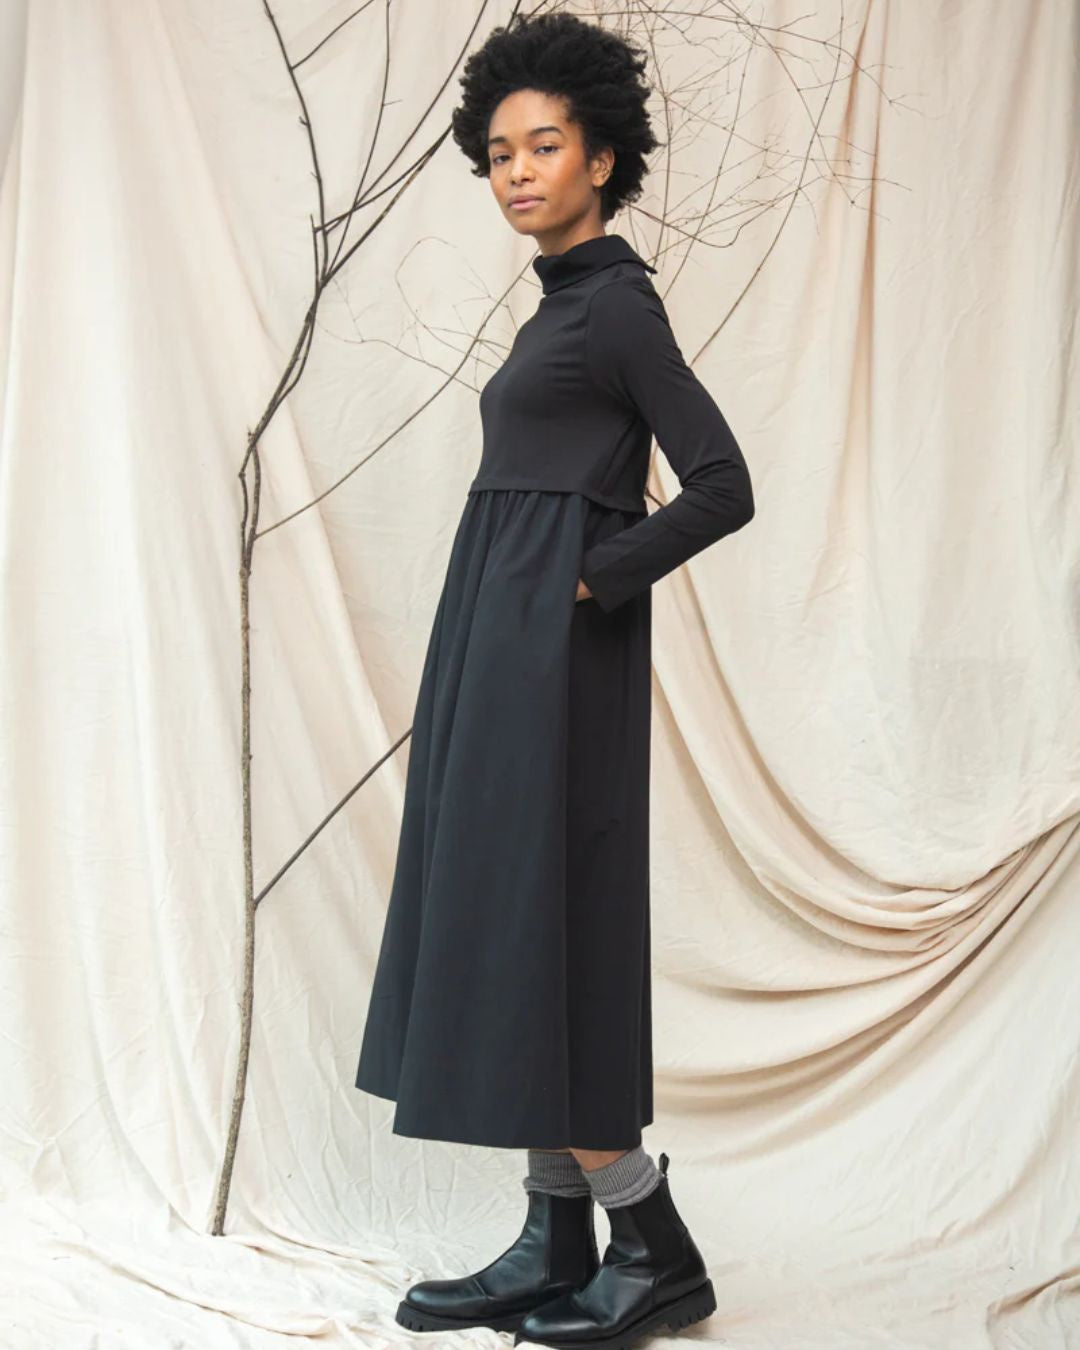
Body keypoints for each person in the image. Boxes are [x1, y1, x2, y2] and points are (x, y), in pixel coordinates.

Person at [354, 12, 755, 1348]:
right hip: (501, 642)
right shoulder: (564, 305)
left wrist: (587, 581)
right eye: (500, 153)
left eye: (543, 146)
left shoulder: (617, 305)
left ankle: (653, 1247)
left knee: (541, 921)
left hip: (552, 661)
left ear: (601, 156)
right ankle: (554, 1237)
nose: (517, 171)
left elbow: (722, 483)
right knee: (511, 919)